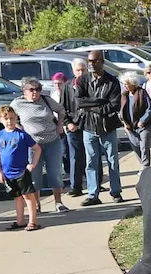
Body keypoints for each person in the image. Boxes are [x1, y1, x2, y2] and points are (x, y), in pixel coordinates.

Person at [11, 78, 66, 215]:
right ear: (24, 91)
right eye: (31, 90)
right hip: (32, 144)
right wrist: (19, 129)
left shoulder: (46, 100)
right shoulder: (18, 103)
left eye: (38, 89)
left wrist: (60, 124)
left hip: (52, 141)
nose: (35, 92)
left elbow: (61, 110)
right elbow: (7, 116)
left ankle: (58, 202)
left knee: (55, 173)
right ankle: (36, 205)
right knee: (34, 176)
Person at [77, 51, 124, 205]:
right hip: (89, 127)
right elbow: (79, 102)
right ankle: (93, 195)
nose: (91, 64)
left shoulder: (112, 81)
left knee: (112, 161)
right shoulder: (83, 80)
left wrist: (93, 106)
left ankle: (116, 192)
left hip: (107, 127)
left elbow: (114, 105)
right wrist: (99, 102)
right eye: (89, 61)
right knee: (91, 162)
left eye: (94, 61)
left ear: (102, 61)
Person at [0, 106, 42, 232]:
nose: (9, 121)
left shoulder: (22, 135)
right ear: (0, 119)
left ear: (16, 118)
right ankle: (20, 221)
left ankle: (32, 221)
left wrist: (32, 164)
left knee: (28, 196)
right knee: (17, 197)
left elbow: (37, 149)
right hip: (7, 173)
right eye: (6, 118)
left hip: (21, 172)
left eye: (12, 118)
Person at [61, 57, 88, 198]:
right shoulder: (67, 86)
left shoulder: (92, 84)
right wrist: (68, 123)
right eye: (78, 70)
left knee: (91, 156)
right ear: (73, 71)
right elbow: (62, 108)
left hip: (90, 125)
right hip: (73, 126)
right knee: (75, 157)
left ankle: (94, 184)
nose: (81, 72)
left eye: (83, 69)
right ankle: (75, 187)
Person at [115, 71, 151, 170]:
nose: (125, 86)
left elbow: (149, 108)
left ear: (133, 83)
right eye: (124, 84)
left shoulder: (142, 92)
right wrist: (124, 123)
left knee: (144, 147)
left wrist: (143, 120)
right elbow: (120, 111)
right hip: (130, 127)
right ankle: (143, 164)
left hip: (144, 126)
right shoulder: (124, 95)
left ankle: (145, 167)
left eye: (127, 84)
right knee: (136, 147)